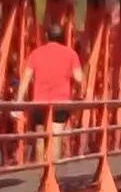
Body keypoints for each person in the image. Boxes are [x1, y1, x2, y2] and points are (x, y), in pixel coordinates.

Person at [14, 25, 83, 162]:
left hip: (40, 102)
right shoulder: (71, 54)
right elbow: (79, 78)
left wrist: (19, 101)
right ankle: (52, 176)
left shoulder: (36, 53)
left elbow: (26, 78)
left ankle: (41, 173)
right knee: (55, 139)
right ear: (63, 38)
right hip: (61, 103)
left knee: (40, 138)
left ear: (47, 37)